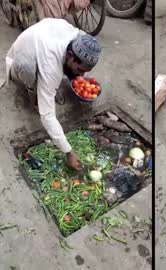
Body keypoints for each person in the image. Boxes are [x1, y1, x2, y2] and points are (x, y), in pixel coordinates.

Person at [5, 18, 102, 171]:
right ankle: (34, 92)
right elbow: (48, 115)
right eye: (81, 69)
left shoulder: (77, 36)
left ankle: (47, 89)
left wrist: (76, 75)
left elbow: (84, 44)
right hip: (19, 63)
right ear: (70, 55)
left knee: (53, 81)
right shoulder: (51, 65)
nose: (82, 75)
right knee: (29, 69)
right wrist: (68, 151)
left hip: (42, 47)